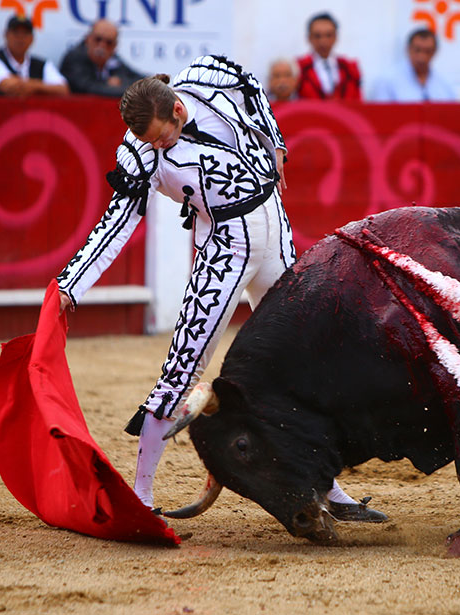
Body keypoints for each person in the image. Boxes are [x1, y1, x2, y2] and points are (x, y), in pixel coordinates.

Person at [55, 55, 386, 523]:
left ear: (176, 110)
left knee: (304, 355)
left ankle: (328, 488)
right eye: (146, 141)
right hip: (224, 247)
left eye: (159, 135)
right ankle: (141, 498)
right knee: (183, 366)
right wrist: (74, 282)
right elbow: (120, 218)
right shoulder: (140, 152)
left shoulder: (209, 78)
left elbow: (252, 86)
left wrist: (275, 145)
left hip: (272, 227)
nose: (154, 147)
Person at [0, 15, 69, 96]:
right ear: (6, 35)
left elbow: (63, 90)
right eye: (16, 33)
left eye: (25, 33)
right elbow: (12, 88)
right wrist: (41, 86)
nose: (20, 38)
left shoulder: (42, 65)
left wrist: (33, 86)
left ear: (32, 38)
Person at [60, 18, 144, 96]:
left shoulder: (113, 59)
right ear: (88, 39)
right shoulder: (74, 58)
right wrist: (109, 85)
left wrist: (122, 81)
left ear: (115, 47)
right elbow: (88, 88)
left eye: (109, 42)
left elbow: (139, 79)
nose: (102, 46)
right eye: (98, 39)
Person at [369, 28, 455, 102]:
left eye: (427, 51)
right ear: (408, 49)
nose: (422, 57)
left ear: (435, 52)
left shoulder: (445, 83)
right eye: (417, 50)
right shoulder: (387, 80)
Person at [295, 13, 362, 100]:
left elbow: (358, 100)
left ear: (335, 37)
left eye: (328, 35)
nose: (323, 41)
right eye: (317, 36)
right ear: (309, 38)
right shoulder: (298, 68)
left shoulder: (350, 68)